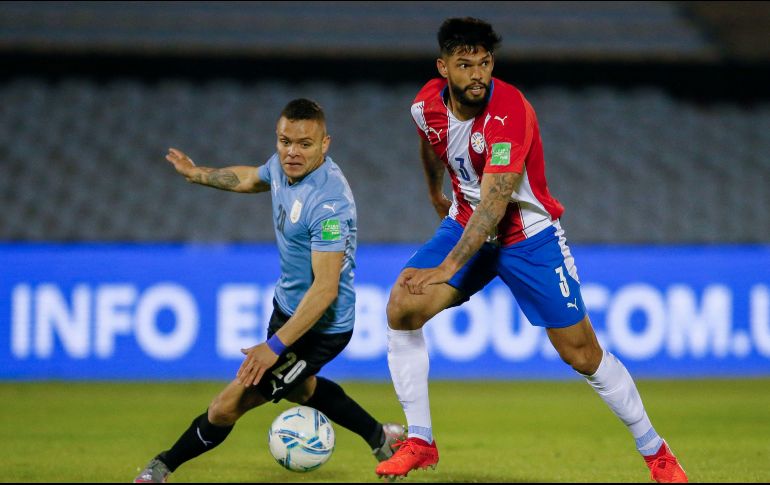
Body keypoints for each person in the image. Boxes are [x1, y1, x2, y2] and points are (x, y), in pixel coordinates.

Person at [374, 18, 688, 484]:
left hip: (527, 235)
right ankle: (420, 440)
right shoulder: (424, 106)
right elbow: (430, 141)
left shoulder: (509, 111)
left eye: (484, 63)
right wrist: (434, 191)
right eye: (465, 65)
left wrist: (447, 267)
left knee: (582, 354)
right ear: (443, 68)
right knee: (401, 308)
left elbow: (497, 202)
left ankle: (656, 452)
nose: (478, 73)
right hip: (465, 220)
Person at [134, 98, 404, 483]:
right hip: (288, 307)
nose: (292, 152)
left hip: (320, 326)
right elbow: (252, 177)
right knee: (301, 388)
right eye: (284, 141)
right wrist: (198, 174)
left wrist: (274, 347)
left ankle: (159, 469)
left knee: (227, 405)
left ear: (325, 144)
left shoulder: (329, 204)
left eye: (304, 144)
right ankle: (382, 437)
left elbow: (326, 290)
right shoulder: (283, 165)